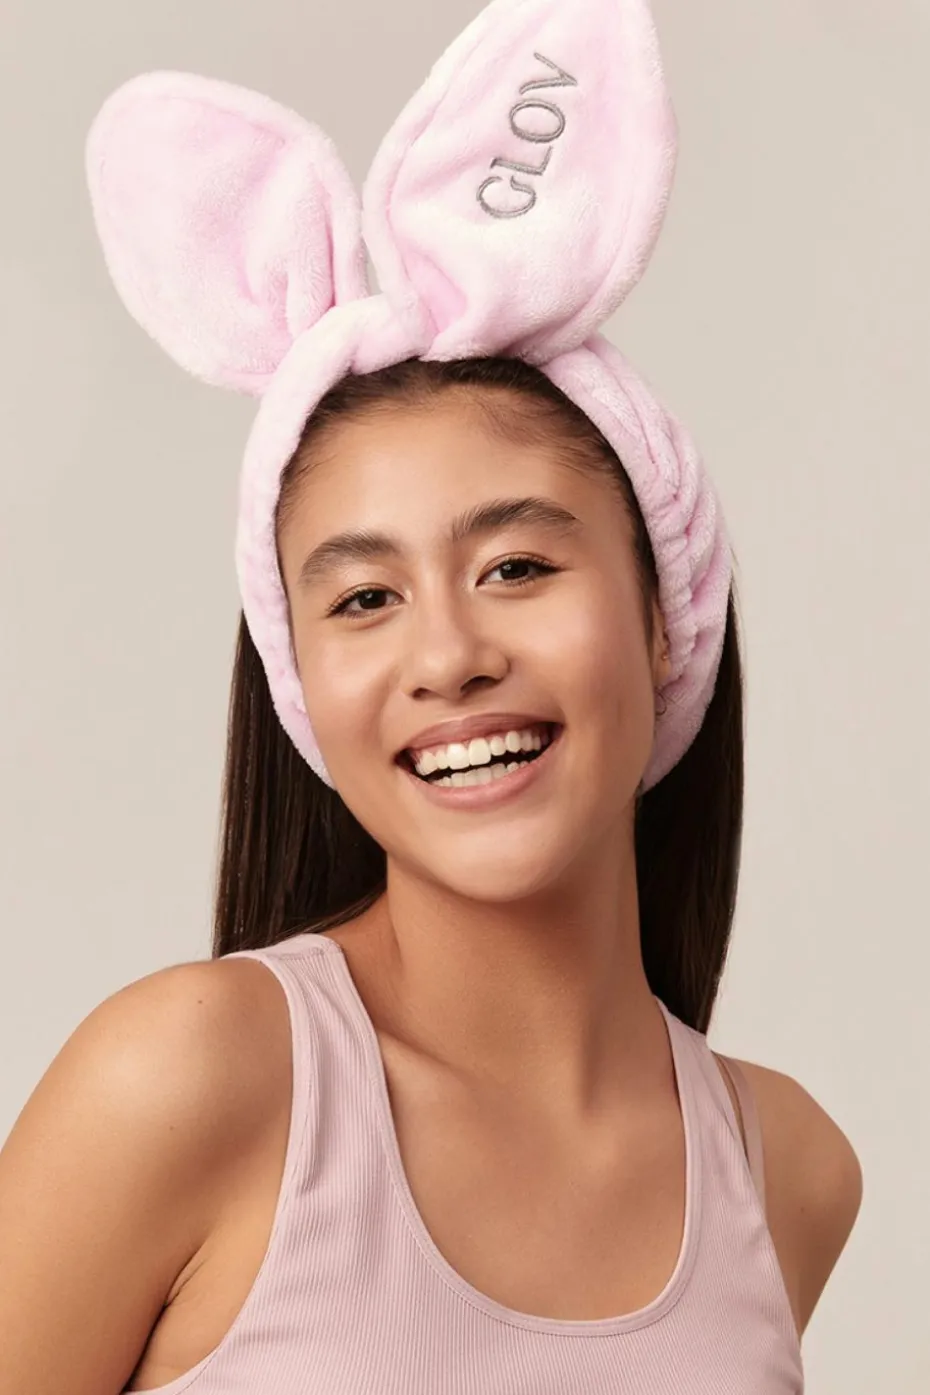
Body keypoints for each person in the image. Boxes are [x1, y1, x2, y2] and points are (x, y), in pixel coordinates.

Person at [0, 1, 862, 1391]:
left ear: (665, 614)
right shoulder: (186, 1079)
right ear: (300, 680)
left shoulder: (790, 1172)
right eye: (363, 598)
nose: (446, 654)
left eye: (516, 565)